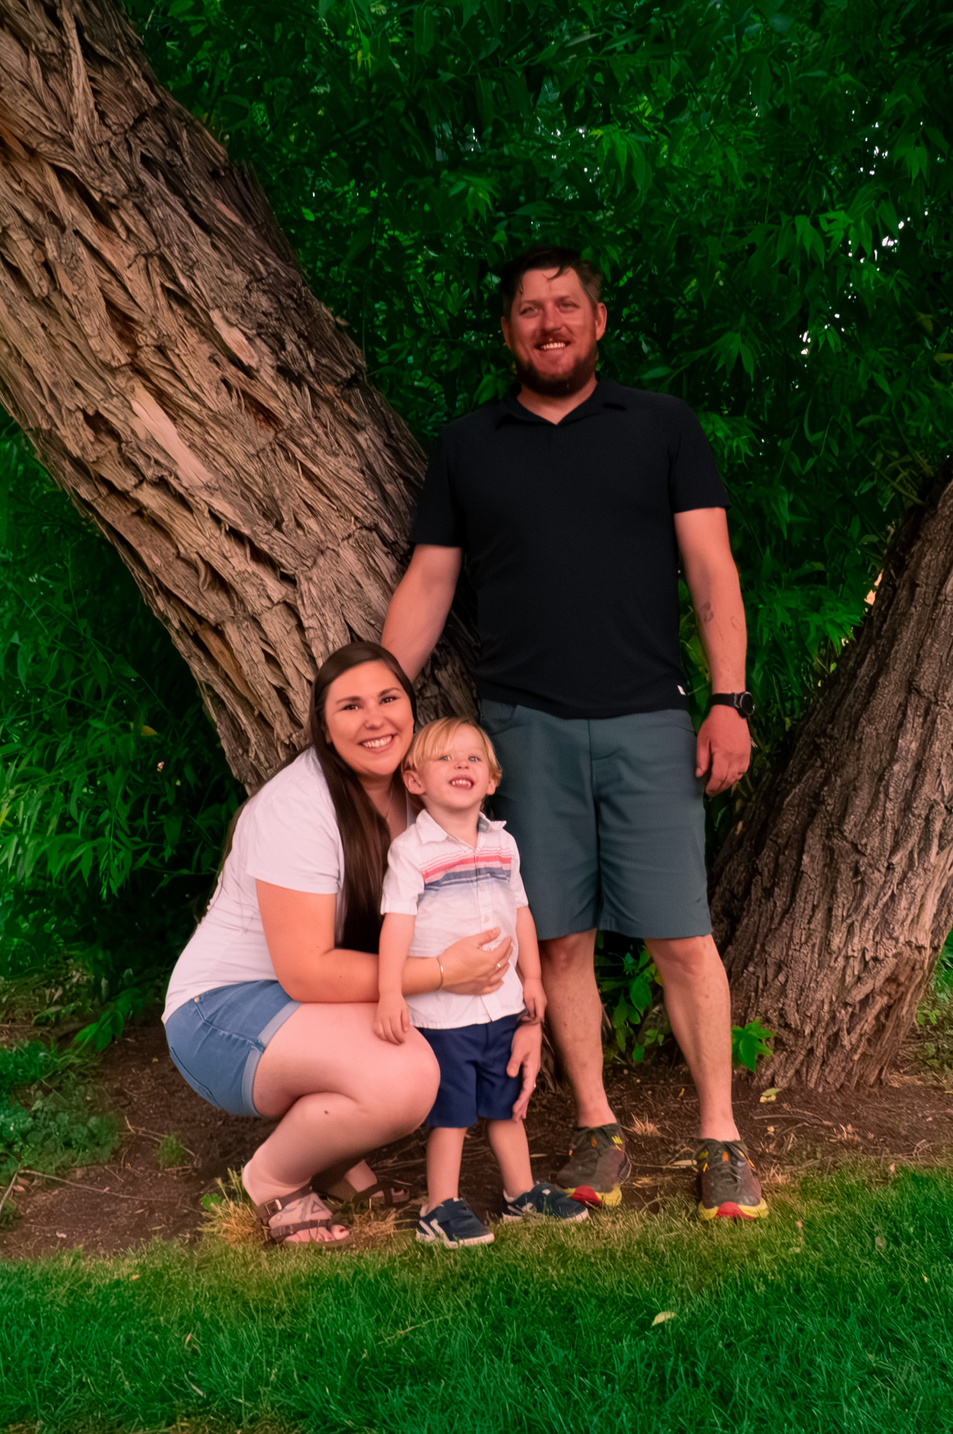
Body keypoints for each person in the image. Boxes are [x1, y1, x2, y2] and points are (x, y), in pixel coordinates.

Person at [381, 246, 768, 1221]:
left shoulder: (660, 427)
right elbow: (430, 582)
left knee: (680, 939)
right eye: (527, 310)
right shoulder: (471, 444)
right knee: (556, 943)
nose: (547, 322)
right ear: (508, 331)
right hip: (523, 729)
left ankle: (719, 1136)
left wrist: (729, 702)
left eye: (564, 305)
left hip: (648, 719)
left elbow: (713, 575)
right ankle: (596, 1127)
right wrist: (382, 703)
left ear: (597, 320)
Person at [162, 641, 541, 1246]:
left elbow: (490, 901)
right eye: (350, 706)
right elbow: (307, 975)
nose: (375, 719)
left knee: (420, 1053)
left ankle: (332, 1159)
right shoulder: (296, 808)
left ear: (410, 708)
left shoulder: (419, 794)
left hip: (310, 1005)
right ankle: (275, 1178)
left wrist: (521, 1013)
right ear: (324, 726)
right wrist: (443, 972)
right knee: (409, 1076)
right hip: (220, 1013)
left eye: (389, 698)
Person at [374, 716, 589, 1246]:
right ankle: (439, 1207)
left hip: (501, 1006)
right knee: (451, 1115)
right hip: (444, 1016)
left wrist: (532, 977)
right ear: (414, 780)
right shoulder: (412, 853)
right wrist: (389, 991)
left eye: (473, 758)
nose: (461, 766)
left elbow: (520, 910)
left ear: (492, 781)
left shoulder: (502, 845)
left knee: (506, 1105)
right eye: (444, 758)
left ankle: (521, 1194)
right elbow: (396, 925)